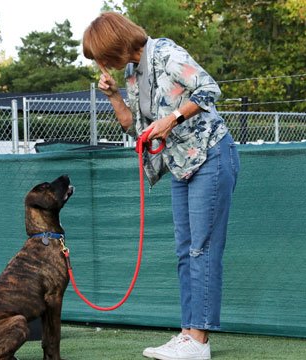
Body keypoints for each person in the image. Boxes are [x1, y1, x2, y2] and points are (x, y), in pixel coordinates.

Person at [83, 12, 240, 360]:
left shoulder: (167, 54)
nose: (101, 63)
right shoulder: (131, 73)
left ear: (116, 42)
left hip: (211, 156)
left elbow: (209, 88)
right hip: (181, 166)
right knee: (185, 251)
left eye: (101, 55)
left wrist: (172, 118)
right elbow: (134, 126)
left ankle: (198, 340)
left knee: (202, 249)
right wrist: (112, 96)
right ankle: (188, 334)